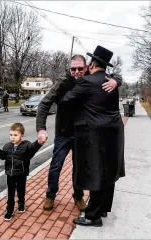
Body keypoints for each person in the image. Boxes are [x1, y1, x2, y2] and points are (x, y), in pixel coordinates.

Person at [36, 55, 122, 212]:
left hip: (83, 133)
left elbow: (111, 75)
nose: (76, 72)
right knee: (56, 165)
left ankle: (78, 197)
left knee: (79, 168)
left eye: (80, 68)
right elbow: (44, 104)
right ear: (69, 69)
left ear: (87, 67)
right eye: (73, 69)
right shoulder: (63, 82)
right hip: (63, 132)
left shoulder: (91, 78)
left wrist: (117, 81)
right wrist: (41, 128)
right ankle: (50, 195)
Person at [60, 45, 125, 227]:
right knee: (108, 171)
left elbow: (66, 101)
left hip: (96, 134)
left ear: (93, 63)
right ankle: (102, 208)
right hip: (114, 132)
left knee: (96, 172)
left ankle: (92, 216)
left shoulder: (87, 82)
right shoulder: (111, 81)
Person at [0, 122, 47, 221]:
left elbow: (33, 147)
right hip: (10, 174)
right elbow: (4, 156)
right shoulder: (7, 146)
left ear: (22, 135)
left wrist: (39, 142)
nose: (12, 137)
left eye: (15, 135)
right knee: (10, 193)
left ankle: (21, 202)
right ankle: (10, 210)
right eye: (11, 135)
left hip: (21, 173)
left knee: (21, 190)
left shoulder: (26, 145)